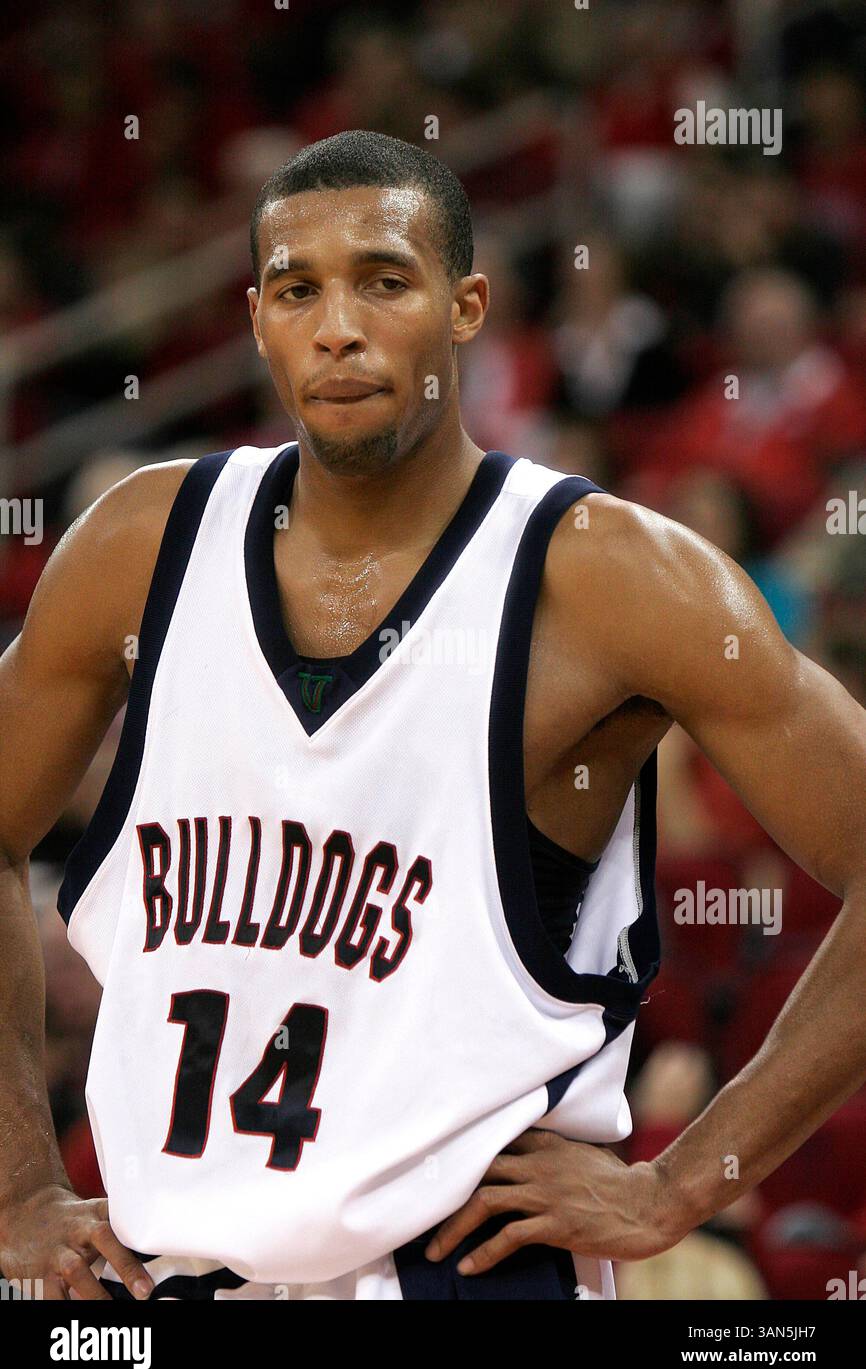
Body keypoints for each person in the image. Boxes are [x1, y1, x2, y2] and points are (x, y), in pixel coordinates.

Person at [0, 130, 864, 1302]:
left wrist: (681, 1182)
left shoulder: (610, 577)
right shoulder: (138, 547)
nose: (337, 325)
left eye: (383, 280)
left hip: (461, 1268)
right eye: (298, 290)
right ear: (257, 318)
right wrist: (16, 1187)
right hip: (168, 1270)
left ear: (465, 306)